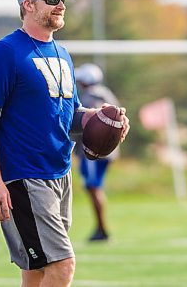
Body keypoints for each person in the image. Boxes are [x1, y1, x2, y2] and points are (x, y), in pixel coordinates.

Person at [0, 0, 129, 287]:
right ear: (28, 5)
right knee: (62, 266)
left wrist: (103, 119)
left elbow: (69, 116)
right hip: (25, 176)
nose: (61, 6)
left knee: (37, 270)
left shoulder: (62, 54)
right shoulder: (5, 52)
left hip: (59, 174)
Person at [74, 63, 120, 242]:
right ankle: (101, 228)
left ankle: (102, 228)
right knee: (94, 187)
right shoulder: (106, 93)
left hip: (94, 151)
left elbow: (94, 126)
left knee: (93, 187)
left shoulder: (91, 97)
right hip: (107, 150)